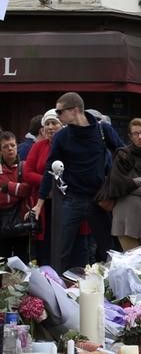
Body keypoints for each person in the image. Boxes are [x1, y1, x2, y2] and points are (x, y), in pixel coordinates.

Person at [31, 92, 125, 269]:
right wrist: (39, 203)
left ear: (75, 110)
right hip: (72, 199)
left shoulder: (103, 130)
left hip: (99, 199)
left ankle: (114, 290)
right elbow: (49, 170)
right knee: (61, 251)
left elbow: (124, 154)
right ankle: (57, 291)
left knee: (108, 250)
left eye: (60, 112)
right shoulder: (61, 137)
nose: (57, 116)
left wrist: (120, 185)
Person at [101, 119, 141, 251]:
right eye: (135, 134)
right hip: (125, 217)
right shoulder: (122, 155)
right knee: (132, 262)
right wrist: (140, 181)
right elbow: (117, 183)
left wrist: (126, 186)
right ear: (130, 136)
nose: (140, 137)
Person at [24, 109, 64, 265]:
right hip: (43, 202)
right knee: (44, 245)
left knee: (63, 242)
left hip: (64, 202)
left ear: (62, 126)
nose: (50, 127)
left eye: (54, 123)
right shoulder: (38, 146)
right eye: (47, 124)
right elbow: (27, 173)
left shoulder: (67, 146)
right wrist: (49, 181)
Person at [0, 131, 32, 261]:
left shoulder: (24, 166)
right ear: (0, 150)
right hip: (1, 222)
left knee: (22, 260)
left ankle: (22, 282)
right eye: (5, 146)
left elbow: (28, 189)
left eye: (12, 145)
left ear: (17, 146)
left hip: (21, 221)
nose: (10, 149)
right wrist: (17, 188)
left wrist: (8, 187)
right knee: (3, 260)